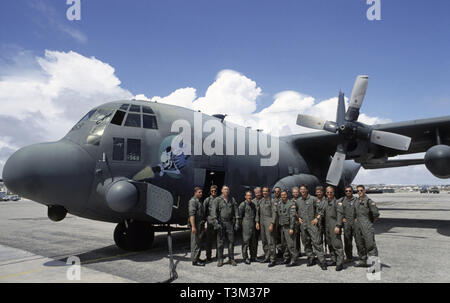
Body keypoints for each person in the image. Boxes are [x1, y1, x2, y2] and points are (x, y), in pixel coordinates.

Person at [294, 184, 327, 270]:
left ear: (307, 190)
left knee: (317, 243)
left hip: (312, 225)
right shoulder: (298, 201)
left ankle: (322, 261)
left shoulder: (313, 199)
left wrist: (317, 218)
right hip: (303, 225)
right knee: (306, 243)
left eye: (304, 189)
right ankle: (311, 258)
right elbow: (294, 210)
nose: (302, 191)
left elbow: (321, 210)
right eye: (301, 190)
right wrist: (298, 218)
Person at [211, 185, 239, 267]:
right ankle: (220, 259)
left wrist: (237, 221)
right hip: (221, 223)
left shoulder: (232, 200)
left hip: (230, 223)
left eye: (227, 189)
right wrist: (216, 223)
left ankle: (231, 259)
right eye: (225, 189)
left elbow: (236, 210)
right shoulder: (217, 200)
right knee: (220, 243)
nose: (226, 191)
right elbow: (213, 212)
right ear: (222, 191)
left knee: (231, 241)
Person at [353, 185, 380, 267]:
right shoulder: (356, 201)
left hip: (366, 225)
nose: (359, 192)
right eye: (358, 191)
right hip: (358, 226)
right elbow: (355, 212)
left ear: (364, 191)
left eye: (361, 190)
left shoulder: (369, 201)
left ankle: (374, 264)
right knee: (359, 243)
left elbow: (376, 214)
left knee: (370, 245)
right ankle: (362, 260)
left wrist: (370, 221)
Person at [339, 185, 364, 263]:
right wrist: (342, 218)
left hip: (355, 224)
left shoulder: (356, 200)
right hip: (346, 224)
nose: (348, 192)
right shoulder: (342, 200)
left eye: (350, 191)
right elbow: (338, 210)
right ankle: (349, 257)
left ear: (352, 192)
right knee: (347, 242)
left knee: (359, 241)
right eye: (346, 191)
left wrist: (358, 217)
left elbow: (362, 210)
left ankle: (362, 258)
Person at [255, 187, 278, 267]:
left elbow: (274, 213)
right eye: (263, 191)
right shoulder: (260, 201)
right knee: (264, 241)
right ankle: (267, 256)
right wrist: (257, 222)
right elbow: (258, 213)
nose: (264, 192)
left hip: (269, 222)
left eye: (266, 191)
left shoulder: (272, 201)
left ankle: (273, 259)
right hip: (262, 222)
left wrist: (272, 223)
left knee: (271, 241)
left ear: (268, 192)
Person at [324, 186, 345, 271]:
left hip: (334, 226)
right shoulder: (325, 202)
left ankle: (340, 263)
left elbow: (340, 215)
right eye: (328, 192)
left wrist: (338, 226)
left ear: (333, 193)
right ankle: (334, 260)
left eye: (331, 192)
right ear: (326, 193)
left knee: (337, 245)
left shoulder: (337, 203)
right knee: (330, 244)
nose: (329, 194)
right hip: (327, 227)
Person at [277, 190, 299, 267]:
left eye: (284, 195)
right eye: (282, 195)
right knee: (284, 244)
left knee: (291, 244)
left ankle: (294, 260)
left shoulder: (291, 204)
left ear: (287, 195)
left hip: (289, 227)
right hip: (283, 226)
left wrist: (291, 228)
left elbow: (292, 217)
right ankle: (286, 258)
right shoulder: (280, 203)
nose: (283, 196)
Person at [238, 191, 258, 264]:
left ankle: (253, 257)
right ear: (245, 196)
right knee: (245, 242)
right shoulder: (243, 205)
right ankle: (245, 258)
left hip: (252, 225)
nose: (249, 197)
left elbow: (255, 214)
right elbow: (239, 216)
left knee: (253, 242)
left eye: (250, 196)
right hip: (246, 225)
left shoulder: (253, 204)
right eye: (248, 196)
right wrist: (242, 225)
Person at [188, 187, 206, 266]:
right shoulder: (193, 201)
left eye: (201, 192)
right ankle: (194, 261)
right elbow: (192, 215)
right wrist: (193, 227)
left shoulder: (199, 201)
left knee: (198, 243)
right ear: (195, 192)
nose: (201, 193)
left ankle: (197, 257)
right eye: (199, 192)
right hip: (196, 225)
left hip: (200, 224)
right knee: (195, 243)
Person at [203, 185, 218, 262]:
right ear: (210, 191)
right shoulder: (207, 200)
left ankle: (218, 255)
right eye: (212, 191)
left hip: (218, 222)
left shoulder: (219, 199)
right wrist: (205, 220)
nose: (213, 192)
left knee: (219, 239)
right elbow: (204, 211)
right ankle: (208, 256)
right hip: (210, 221)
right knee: (209, 240)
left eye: (215, 191)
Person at [315, 186, 327, 254]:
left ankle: (326, 251)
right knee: (318, 239)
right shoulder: (314, 200)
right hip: (317, 223)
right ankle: (320, 252)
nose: (319, 193)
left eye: (320, 192)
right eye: (317, 192)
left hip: (325, 221)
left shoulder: (326, 200)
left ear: (322, 192)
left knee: (327, 239)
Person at [290, 187, 302, 257]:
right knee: (296, 237)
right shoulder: (290, 201)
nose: (295, 193)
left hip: (302, 221)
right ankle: (298, 251)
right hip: (295, 222)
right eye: (294, 192)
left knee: (305, 237)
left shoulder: (301, 200)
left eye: (296, 192)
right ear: (292, 193)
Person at [252, 187, 263, 260]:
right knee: (254, 240)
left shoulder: (264, 200)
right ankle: (254, 256)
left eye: (259, 192)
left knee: (265, 240)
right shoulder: (252, 202)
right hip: (255, 224)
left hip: (263, 223)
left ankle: (268, 255)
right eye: (256, 193)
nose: (257, 194)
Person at [272, 187, 283, 258]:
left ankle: (286, 253)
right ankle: (280, 252)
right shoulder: (272, 201)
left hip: (283, 222)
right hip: (276, 223)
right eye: (275, 192)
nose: (276, 193)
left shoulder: (284, 199)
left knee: (284, 238)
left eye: (278, 191)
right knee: (277, 238)